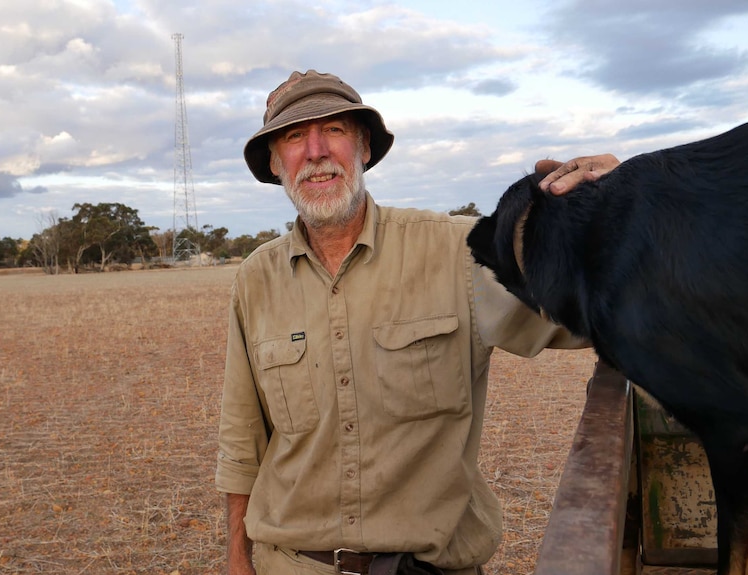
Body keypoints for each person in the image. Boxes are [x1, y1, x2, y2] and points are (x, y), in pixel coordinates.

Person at [216, 69, 619, 575]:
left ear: (363, 148)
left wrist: (618, 204)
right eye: (295, 136)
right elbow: (241, 437)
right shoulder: (257, 279)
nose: (316, 150)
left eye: (335, 130)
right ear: (276, 162)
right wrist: (236, 557)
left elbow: (598, 313)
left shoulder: (461, 252)